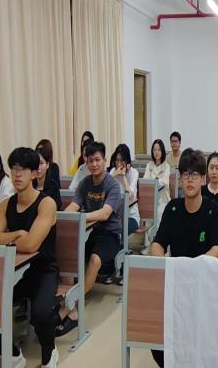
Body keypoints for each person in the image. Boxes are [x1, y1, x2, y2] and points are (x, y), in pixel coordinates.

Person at [0, 147, 59, 367]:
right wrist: (17, 234)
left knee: (41, 314)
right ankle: (13, 354)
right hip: (14, 271)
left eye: (23, 169)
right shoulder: (7, 204)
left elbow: (32, 244)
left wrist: (7, 238)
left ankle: (49, 351)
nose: (17, 174)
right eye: (14, 168)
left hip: (43, 271)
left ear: (34, 173)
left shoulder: (46, 204)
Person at [149, 148, 218, 368]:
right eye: (185, 174)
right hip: (176, 284)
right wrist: (164, 262)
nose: (190, 179)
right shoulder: (172, 209)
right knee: (158, 344)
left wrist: (194, 268)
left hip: (203, 285)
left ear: (203, 179)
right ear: (180, 178)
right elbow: (157, 244)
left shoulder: (213, 210)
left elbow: (217, 248)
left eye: (195, 174)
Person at [57, 142, 123, 335]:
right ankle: (67, 303)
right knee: (67, 255)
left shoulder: (112, 184)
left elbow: (104, 213)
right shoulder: (85, 183)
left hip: (110, 234)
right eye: (90, 160)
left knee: (94, 260)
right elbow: (73, 206)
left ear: (104, 161)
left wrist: (81, 217)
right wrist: (63, 217)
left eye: (97, 160)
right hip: (89, 231)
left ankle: (71, 305)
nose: (94, 164)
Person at [142, 139, 171, 253]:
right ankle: (149, 244)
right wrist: (155, 181)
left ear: (162, 151)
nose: (157, 152)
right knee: (149, 212)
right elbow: (145, 180)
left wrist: (154, 181)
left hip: (162, 199)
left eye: (159, 149)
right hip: (150, 198)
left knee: (159, 213)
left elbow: (165, 182)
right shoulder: (149, 165)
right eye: (154, 149)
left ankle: (160, 244)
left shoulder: (166, 166)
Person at [109, 144, 140, 234]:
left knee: (118, 228)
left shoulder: (134, 173)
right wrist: (113, 175)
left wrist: (123, 176)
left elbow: (129, 194)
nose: (119, 164)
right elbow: (105, 189)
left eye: (122, 160)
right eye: (117, 160)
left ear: (127, 160)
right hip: (115, 215)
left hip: (131, 216)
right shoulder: (113, 171)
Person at [34, 145, 62, 210]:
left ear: (47, 165)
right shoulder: (29, 186)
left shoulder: (53, 186)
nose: (38, 167)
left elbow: (56, 207)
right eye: (35, 163)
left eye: (41, 163)